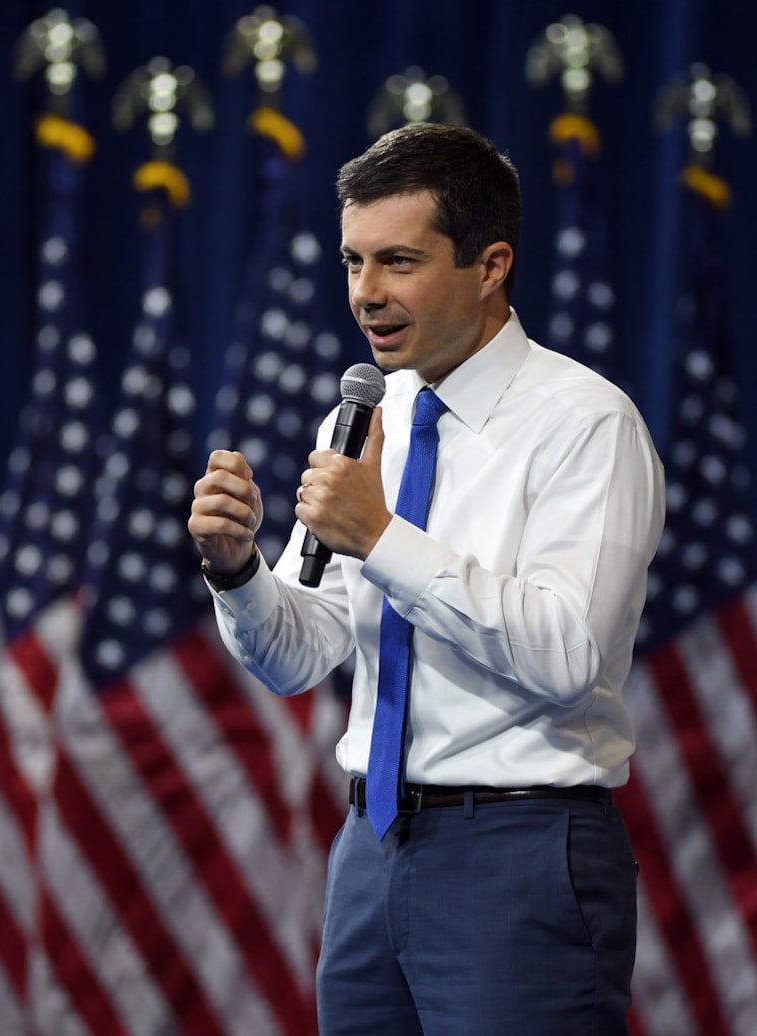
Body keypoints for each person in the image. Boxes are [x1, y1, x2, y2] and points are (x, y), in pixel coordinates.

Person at [188, 122, 665, 1036]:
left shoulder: (585, 424)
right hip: (369, 851)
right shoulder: (366, 415)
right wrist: (239, 570)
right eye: (353, 262)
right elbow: (303, 651)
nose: (367, 295)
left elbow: (569, 653)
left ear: (490, 266)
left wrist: (384, 538)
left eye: (399, 261)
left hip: (520, 852)